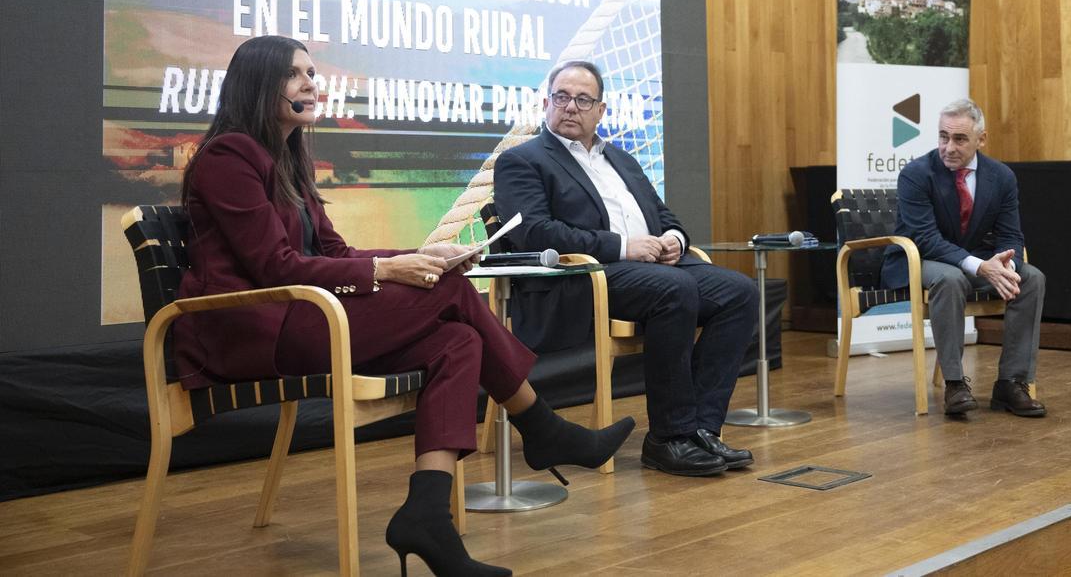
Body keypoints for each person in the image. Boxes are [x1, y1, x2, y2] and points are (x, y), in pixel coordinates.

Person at [175, 36, 634, 577]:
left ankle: (426, 514)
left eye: (312, 72)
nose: (311, 84)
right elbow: (275, 268)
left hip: (302, 314)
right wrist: (391, 269)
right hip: (254, 331)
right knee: (448, 289)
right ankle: (541, 426)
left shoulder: (285, 157)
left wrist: (420, 255)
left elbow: (333, 253)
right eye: (295, 75)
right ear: (259, 84)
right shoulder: (228, 156)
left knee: (457, 340)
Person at [493, 60, 759, 477]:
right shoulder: (523, 161)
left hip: (653, 270)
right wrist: (621, 247)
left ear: (601, 111)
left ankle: (702, 430)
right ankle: (668, 438)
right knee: (674, 290)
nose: (570, 107)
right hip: (581, 278)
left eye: (583, 100)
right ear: (546, 103)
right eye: (561, 97)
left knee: (740, 292)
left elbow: (664, 216)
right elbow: (536, 233)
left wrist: (675, 241)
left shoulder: (621, 159)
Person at [881, 98, 1046, 418]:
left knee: (1031, 278)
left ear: (980, 139)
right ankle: (955, 384)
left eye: (959, 139)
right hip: (920, 257)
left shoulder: (1001, 177)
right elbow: (926, 239)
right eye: (943, 137)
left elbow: (1011, 234)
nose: (949, 147)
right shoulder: (916, 174)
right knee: (950, 277)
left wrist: (1005, 266)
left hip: (973, 259)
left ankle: (1011, 383)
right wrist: (981, 266)